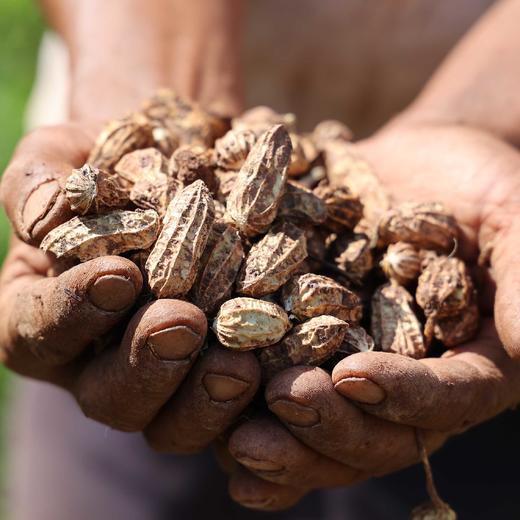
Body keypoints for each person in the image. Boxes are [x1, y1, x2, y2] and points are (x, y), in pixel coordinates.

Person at [2, 0, 520, 518]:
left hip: (478, 223)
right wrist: (150, 94)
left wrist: (489, 119)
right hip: (134, 353)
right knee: (133, 357)